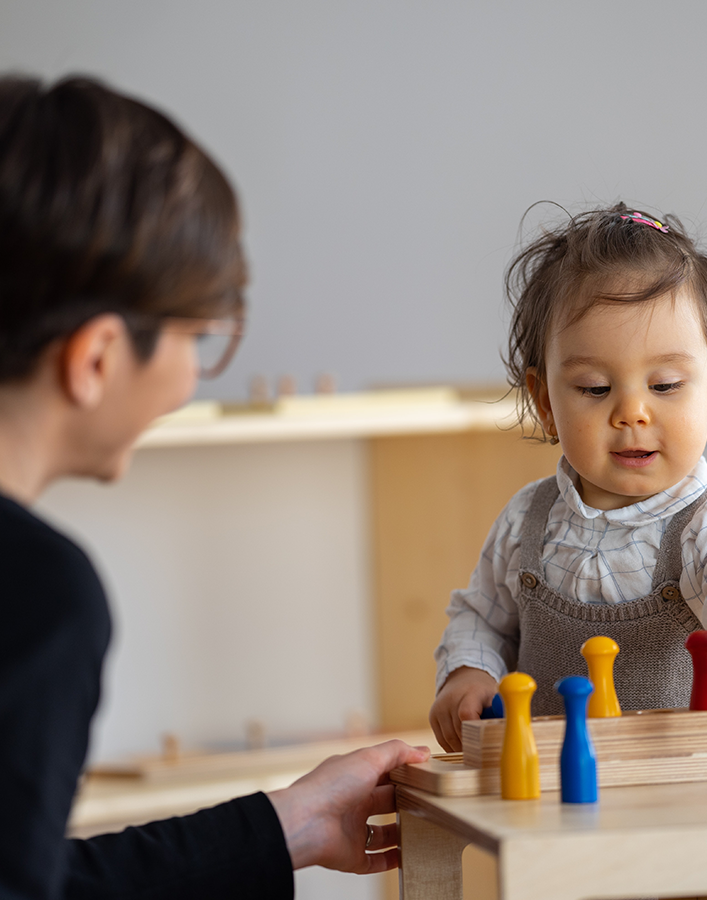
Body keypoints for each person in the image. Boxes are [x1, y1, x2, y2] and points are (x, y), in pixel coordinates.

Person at [0, 74, 429, 898]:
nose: (194, 377)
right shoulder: (34, 595)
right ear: (95, 358)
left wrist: (291, 825)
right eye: (199, 338)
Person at [429, 202, 707, 752]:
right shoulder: (526, 522)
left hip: (683, 781)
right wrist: (469, 671)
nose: (632, 413)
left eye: (666, 384)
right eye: (596, 389)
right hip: (553, 781)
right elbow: (482, 618)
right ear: (545, 402)